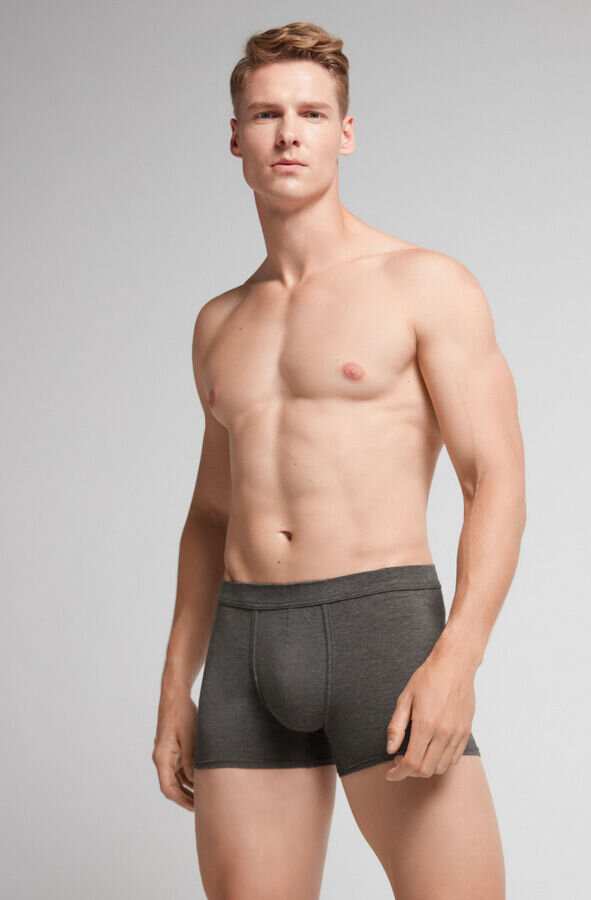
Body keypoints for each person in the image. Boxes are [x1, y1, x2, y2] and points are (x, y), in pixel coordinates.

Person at [152, 21, 525, 900]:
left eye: (312, 114)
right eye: (266, 114)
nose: (289, 134)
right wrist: (175, 686)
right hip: (246, 649)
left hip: (383, 635)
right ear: (236, 137)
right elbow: (211, 513)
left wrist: (459, 657)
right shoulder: (219, 323)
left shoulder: (424, 283)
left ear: (345, 133)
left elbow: (493, 480)